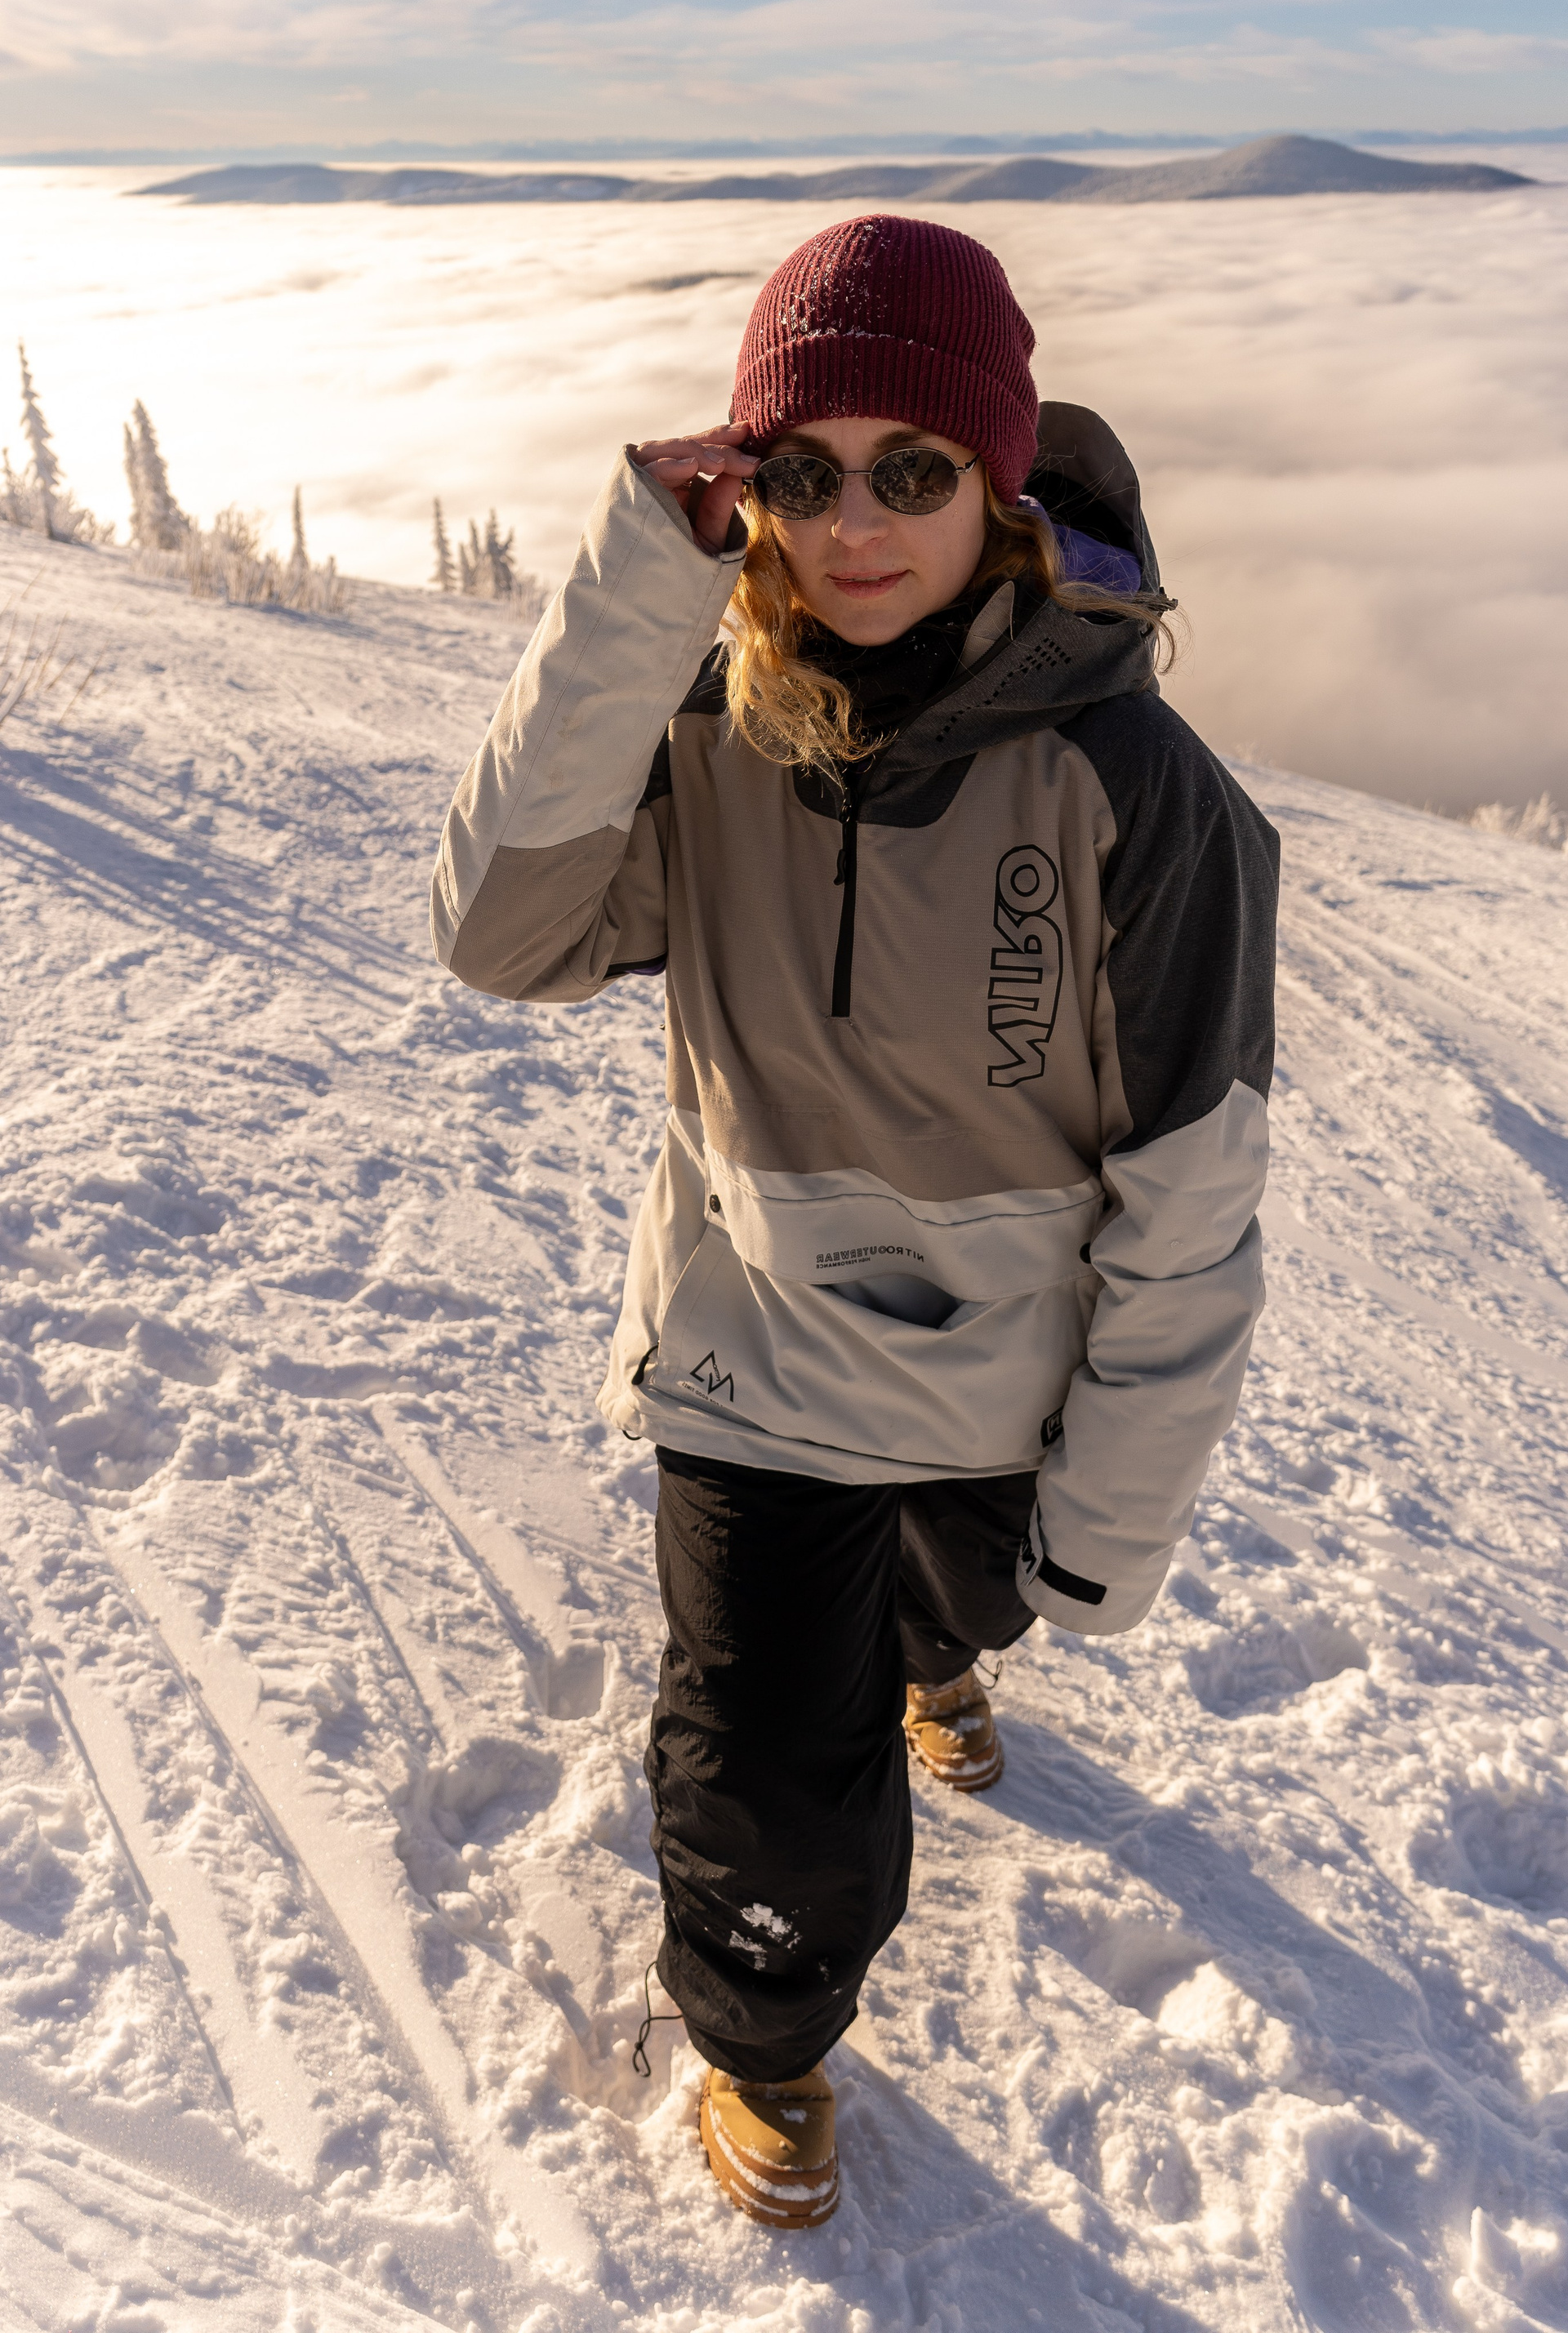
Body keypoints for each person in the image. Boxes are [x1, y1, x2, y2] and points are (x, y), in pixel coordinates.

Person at [431, 214, 1279, 2230]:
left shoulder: (1140, 793)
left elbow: (1190, 1199)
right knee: (763, 1761)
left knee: (951, 1604)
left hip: (999, 1374)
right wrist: (637, 579)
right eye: (802, 473)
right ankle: (766, 2037)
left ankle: (933, 1649)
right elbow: (503, 937)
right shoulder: (709, 725)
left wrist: (1109, 1526)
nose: (855, 523)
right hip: (752, 1347)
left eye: (913, 468)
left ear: (1001, 482)